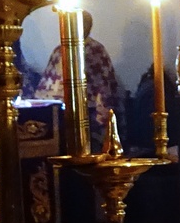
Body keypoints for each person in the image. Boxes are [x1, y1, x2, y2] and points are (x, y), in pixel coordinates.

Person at [32, 10, 124, 150]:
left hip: (90, 115)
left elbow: (105, 89)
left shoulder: (96, 51)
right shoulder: (60, 50)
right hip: (60, 113)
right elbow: (47, 88)